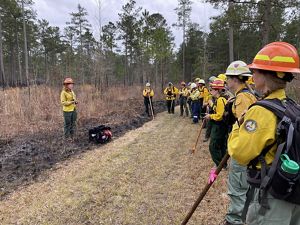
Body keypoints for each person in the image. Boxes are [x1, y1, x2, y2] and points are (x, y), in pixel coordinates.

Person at [228, 42, 300, 225]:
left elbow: (239, 152)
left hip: (272, 197)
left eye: (256, 71)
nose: (252, 75)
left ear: (268, 75)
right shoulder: (291, 106)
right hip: (292, 192)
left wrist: (237, 126)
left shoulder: (261, 111)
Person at [222, 61, 257, 225]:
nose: (226, 82)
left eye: (228, 78)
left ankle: (234, 220)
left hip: (242, 151)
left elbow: (245, 127)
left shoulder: (243, 98)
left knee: (237, 188)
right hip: (248, 150)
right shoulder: (247, 95)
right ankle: (242, 218)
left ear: (234, 79)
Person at [204, 79, 228, 167]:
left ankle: (219, 164)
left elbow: (219, 116)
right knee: (221, 145)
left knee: (213, 146)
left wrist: (210, 116)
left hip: (219, 125)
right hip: (221, 126)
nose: (211, 91)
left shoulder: (220, 100)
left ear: (217, 90)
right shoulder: (221, 99)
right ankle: (223, 163)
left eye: (212, 89)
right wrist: (211, 104)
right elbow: (218, 110)